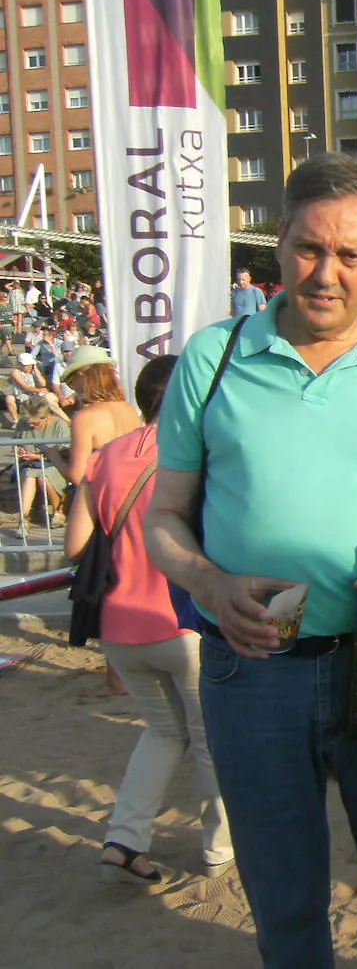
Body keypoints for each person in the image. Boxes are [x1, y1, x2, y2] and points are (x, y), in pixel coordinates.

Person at [146, 155, 357, 968]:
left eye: (349, 254)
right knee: (286, 913)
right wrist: (208, 581)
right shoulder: (213, 356)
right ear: (278, 240)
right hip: (252, 671)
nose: (325, 273)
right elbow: (162, 516)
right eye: (307, 248)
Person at [64, 356, 234, 884]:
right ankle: (219, 847)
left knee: (161, 733)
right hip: (182, 619)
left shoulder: (107, 457)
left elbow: (75, 544)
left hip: (118, 626)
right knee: (210, 738)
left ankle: (125, 837)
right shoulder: (199, 456)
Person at [60, 346, 143, 488]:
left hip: (102, 496)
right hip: (131, 492)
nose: (71, 386)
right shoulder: (129, 409)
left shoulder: (84, 418)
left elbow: (78, 476)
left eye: (71, 380)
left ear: (81, 374)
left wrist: (54, 457)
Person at [14, 395, 71, 539]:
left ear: (45, 417)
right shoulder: (23, 423)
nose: (31, 426)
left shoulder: (59, 425)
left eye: (35, 423)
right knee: (29, 476)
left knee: (43, 476)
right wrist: (20, 450)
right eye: (30, 423)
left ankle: (58, 512)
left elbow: (65, 453)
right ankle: (24, 519)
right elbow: (17, 442)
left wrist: (39, 457)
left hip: (55, 464)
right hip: (30, 464)